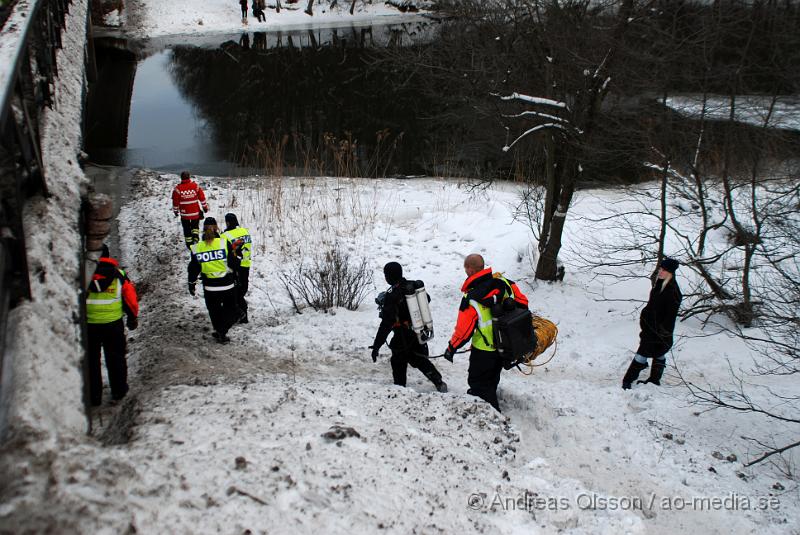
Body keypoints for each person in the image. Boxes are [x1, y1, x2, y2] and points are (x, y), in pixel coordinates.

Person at [443, 254, 529, 412]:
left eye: (465, 268)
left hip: (484, 350)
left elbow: (464, 331)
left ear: (469, 269)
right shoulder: (504, 282)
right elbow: (523, 303)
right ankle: (490, 403)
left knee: (478, 384)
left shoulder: (471, 299)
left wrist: (451, 348)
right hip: (506, 346)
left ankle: (492, 416)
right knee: (492, 379)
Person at [371, 262, 448, 393]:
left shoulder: (392, 294)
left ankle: (400, 389)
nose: (385, 277)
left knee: (398, 360)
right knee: (419, 359)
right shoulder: (413, 286)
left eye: (385, 274)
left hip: (402, 335)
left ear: (389, 276)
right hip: (417, 331)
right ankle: (438, 381)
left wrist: (376, 345)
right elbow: (427, 299)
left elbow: (386, 324)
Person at [86, 245, 139, 406]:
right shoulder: (119, 275)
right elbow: (130, 298)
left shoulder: (84, 276)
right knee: (116, 358)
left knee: (91, 362)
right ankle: (119, 390)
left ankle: (94, 396)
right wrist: (132, 318)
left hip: (89, 325)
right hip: (113, 324)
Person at [621, 257, 682, 389]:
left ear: (670, 272)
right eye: (660, 268)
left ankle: (628, 380)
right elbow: (652, 306)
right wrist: (645, 317)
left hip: (659, 332)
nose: (660, 272)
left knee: (643, 354)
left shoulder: (673, 291)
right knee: (658, 353)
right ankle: (654, 379)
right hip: (650, 329)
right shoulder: (659, 285)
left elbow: (670, 316)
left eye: (664, 270)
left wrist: (663, 332)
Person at [188, 217, 241, 343]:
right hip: (227, 285)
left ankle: (220, 331)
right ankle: (222, 331)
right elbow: (233, 263)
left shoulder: (198, 247)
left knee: (214, 311)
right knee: (232, 310)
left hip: (210, 287)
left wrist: (191, 283)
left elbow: (193, 268)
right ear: (216, 228)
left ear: (203, 230)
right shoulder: (223, 243)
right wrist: (238, 268)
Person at [222, 212, 252, 324]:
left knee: (235, 294)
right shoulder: (245, 231)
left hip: (235, 267)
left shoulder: (225, 236)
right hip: (246, 264)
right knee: (242, 290)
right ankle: (242, 316)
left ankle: (240, 315)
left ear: (228, 222)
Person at [172, 171, 210, 249]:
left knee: (186, 228)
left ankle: (189, 244)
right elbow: (202, 198)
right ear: (189, 177)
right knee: (195, 227)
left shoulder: (177, 189)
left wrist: (175, 211)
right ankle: (195, 238)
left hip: (184, 214)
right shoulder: (195, 186)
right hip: (195, 213)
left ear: (181, 178)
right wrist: (205, 207)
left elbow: (175, 202)